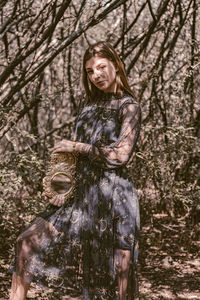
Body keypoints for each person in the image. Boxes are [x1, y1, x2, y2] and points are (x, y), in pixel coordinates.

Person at [9, 41, 141, 300]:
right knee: (26, 243)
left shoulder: (129, 107)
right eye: (90, 71)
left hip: (116, 200)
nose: (96, 75)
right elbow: (70, 160)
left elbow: (121, 155)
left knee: (120, 272)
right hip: (80, 196)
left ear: (116, 66)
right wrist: (60, 189)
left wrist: (76, 146)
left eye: (102, 67)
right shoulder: (88, 106)